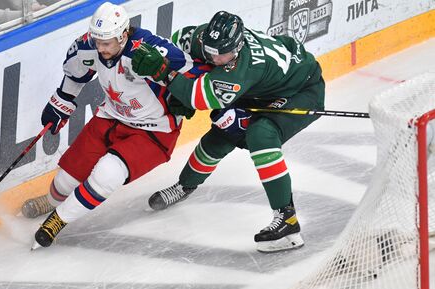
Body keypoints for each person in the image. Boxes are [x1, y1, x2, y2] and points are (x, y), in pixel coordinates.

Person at [131, 11, 325, 253]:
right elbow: (178, 41)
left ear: (238, 46)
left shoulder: (243, 67)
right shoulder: (208, 40)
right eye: (210, 51)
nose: (215, 57)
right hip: (261, 88)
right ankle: (185, 186)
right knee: (221, 135)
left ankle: (288, 221)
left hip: (301, 91)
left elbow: (199, 97)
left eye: (221, 54)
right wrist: (180, 74)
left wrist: (166, 74)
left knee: (261, 134)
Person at [23, 2, 206, 249]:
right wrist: (63, 100)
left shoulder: (151, 49)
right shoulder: (91, 44)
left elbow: (194, 74)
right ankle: (52, 201)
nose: (100, 47)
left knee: (108, 174)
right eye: (97, 41)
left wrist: (181, 94)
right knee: (65, 181)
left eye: (106, 42)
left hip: (153, 130)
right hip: (111, 117)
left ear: (123, 35)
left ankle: (57, 221)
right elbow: (76, 72)